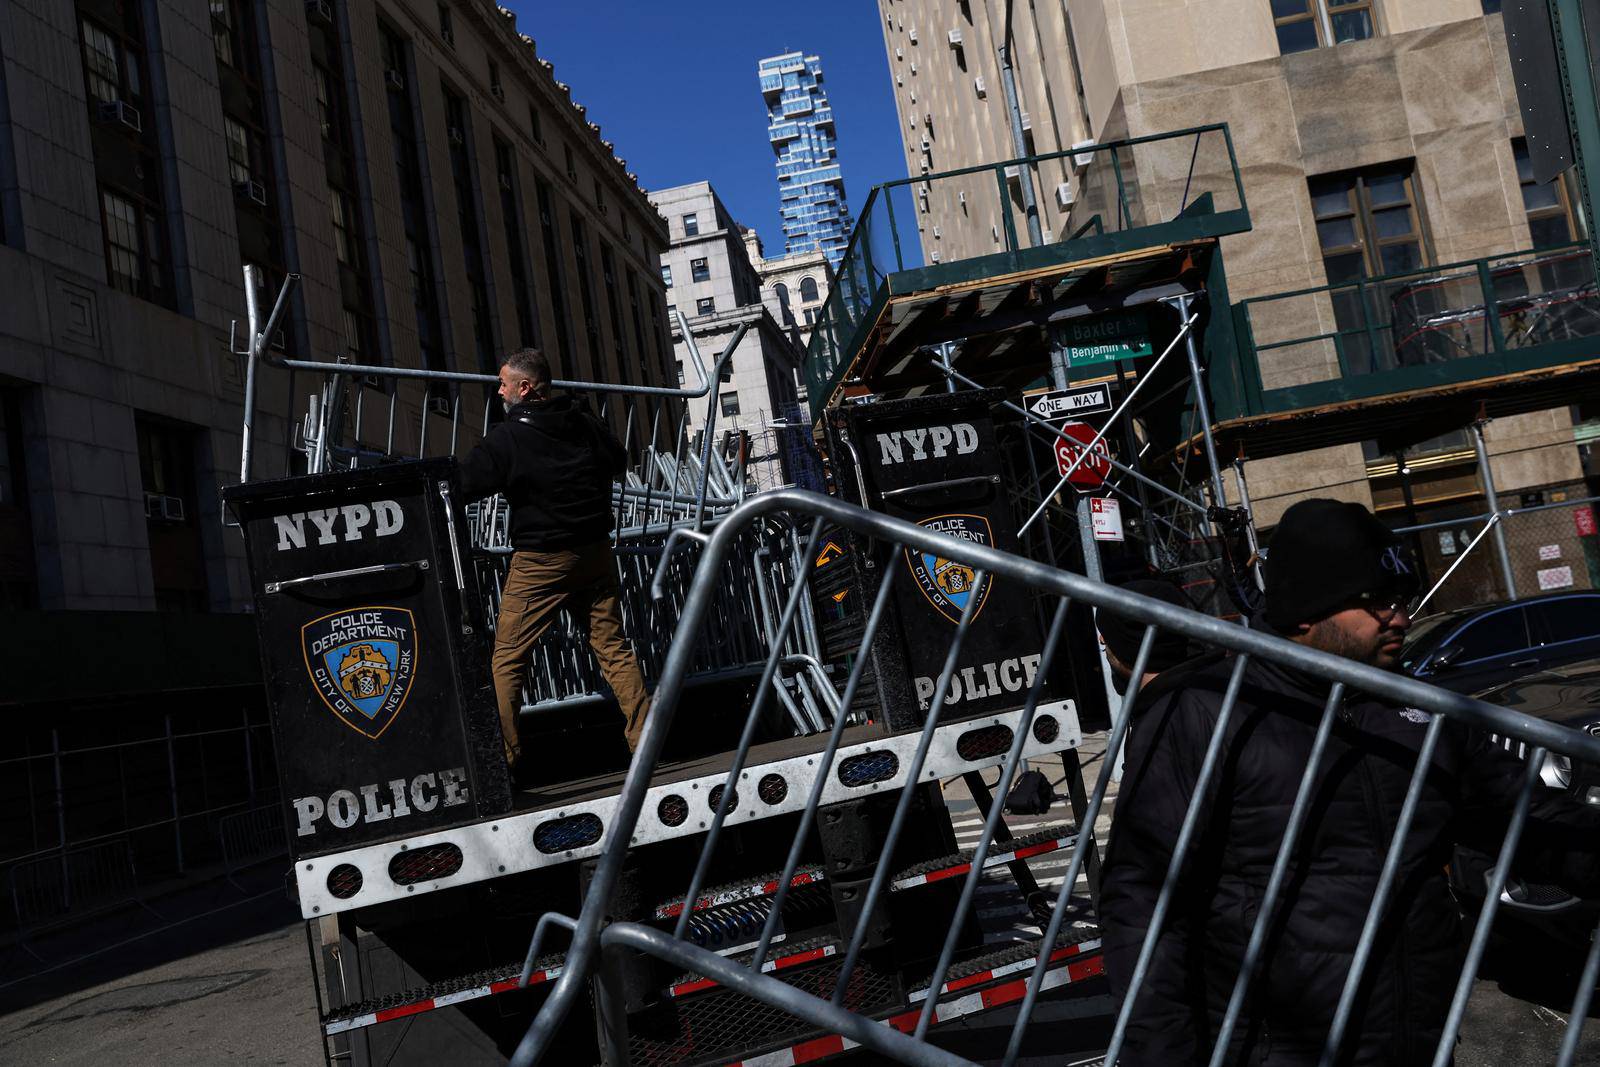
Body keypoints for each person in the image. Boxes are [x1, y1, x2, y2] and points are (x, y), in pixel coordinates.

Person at [1099, 498, 1599, 1065]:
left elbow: (1526, 822)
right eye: (1377, 603)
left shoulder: (1418, 710)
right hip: (1274, 1050)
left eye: (1402, 601)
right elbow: (1145, 902)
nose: (1400, 618)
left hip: (1415, 1042)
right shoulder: (1208, 709)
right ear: (1311, 609)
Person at [458, 348, 651, 774]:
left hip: (542, 559)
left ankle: (501, 764)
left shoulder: (507, 438)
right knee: (613, 648)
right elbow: (618, 461)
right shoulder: (583, 422)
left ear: (524, 388)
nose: (500, 389)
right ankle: (646, 743)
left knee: (508, 657)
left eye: (504, 382)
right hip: (594, 551)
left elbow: (462, 485)